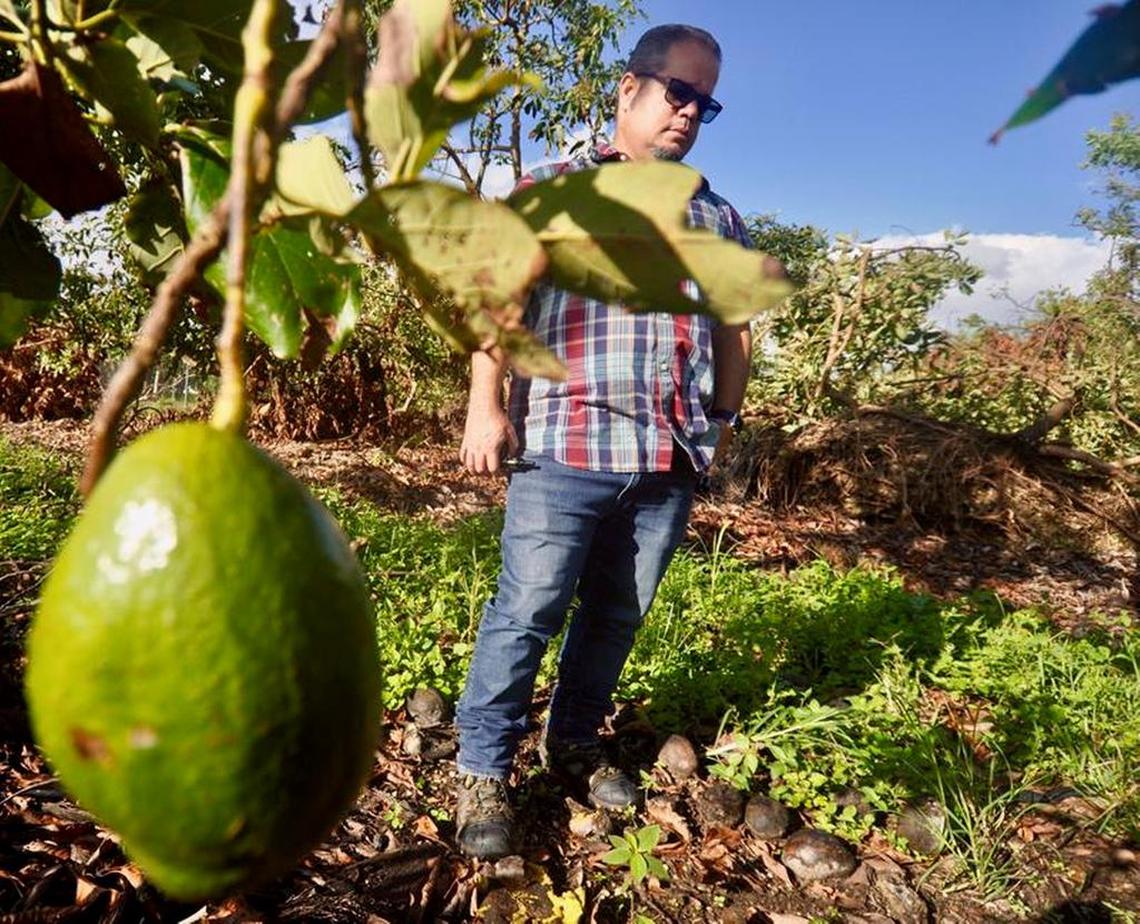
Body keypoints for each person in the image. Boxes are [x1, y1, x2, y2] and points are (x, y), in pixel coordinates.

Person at [453, 23, 755, 860]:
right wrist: (487, 406)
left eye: (707, 102)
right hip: (564, 445)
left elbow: (734, 329)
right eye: (677, 93)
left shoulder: (716, 214)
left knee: (615, 616)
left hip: (667, 459)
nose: (689, 114)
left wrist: (722, 423)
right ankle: (481, 767)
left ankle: (573, 743)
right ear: (629, 90)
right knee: (526, 612)